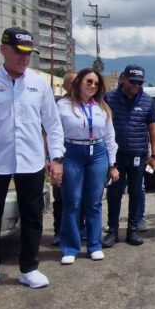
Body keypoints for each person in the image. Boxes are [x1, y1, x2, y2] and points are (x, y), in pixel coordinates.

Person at [0, 28, 64, 293]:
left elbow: (53, 125)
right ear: (3, 50)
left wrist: (56, 158)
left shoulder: (39, 84)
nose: (24, 59)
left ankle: (29, 268)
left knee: (32, 216)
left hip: (31, 161)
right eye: (19, 53)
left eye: (28, 54)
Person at [57, 69, 119, 265]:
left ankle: (94, 245)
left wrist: (112, 164)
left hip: (98, 154)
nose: (92, 86)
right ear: (78, 83)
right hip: (72, 153)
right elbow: (55, 134)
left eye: (96, 83)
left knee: (94, 202)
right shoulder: (63, 105)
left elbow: (110, 137)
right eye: (88, 82)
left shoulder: (102, 107)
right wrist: (55, 159)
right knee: (72, 201)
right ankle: (70, 247)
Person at [104, 64, 155, 247]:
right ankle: (112, 231)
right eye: (133, 81)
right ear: (122, 79)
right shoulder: (109, 98)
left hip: (138, 156)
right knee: (114, 193)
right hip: (115, 157)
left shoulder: (147, 101)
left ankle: (132, 230)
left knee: (136, 193)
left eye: (140, 82)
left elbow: (153, 127)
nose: (136, 85)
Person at [52, 71, 77, 246]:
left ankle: (79, 229)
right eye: (72, 83)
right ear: (65, 86)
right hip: (61, 157)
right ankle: (59, 232)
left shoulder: (88, 104)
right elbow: (49, 132)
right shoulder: (58, 105)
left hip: (81, 158)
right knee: (61, 197)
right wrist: (51, 158)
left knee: (79, 196)